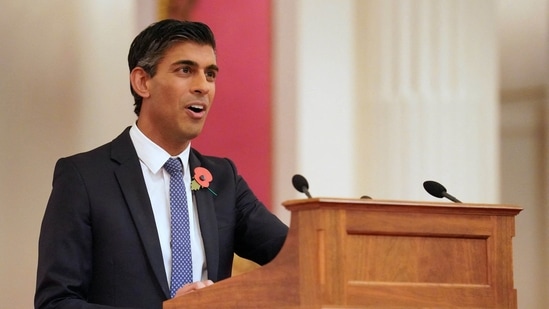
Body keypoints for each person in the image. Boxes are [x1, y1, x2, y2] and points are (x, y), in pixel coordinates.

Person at [35, 19, 288, 309]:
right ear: (143, 82)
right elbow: (56, 302)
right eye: (185, 70)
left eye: (210, 74)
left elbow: (295, 256)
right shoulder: (84, 178)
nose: (203, 86)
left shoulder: (223, 180)